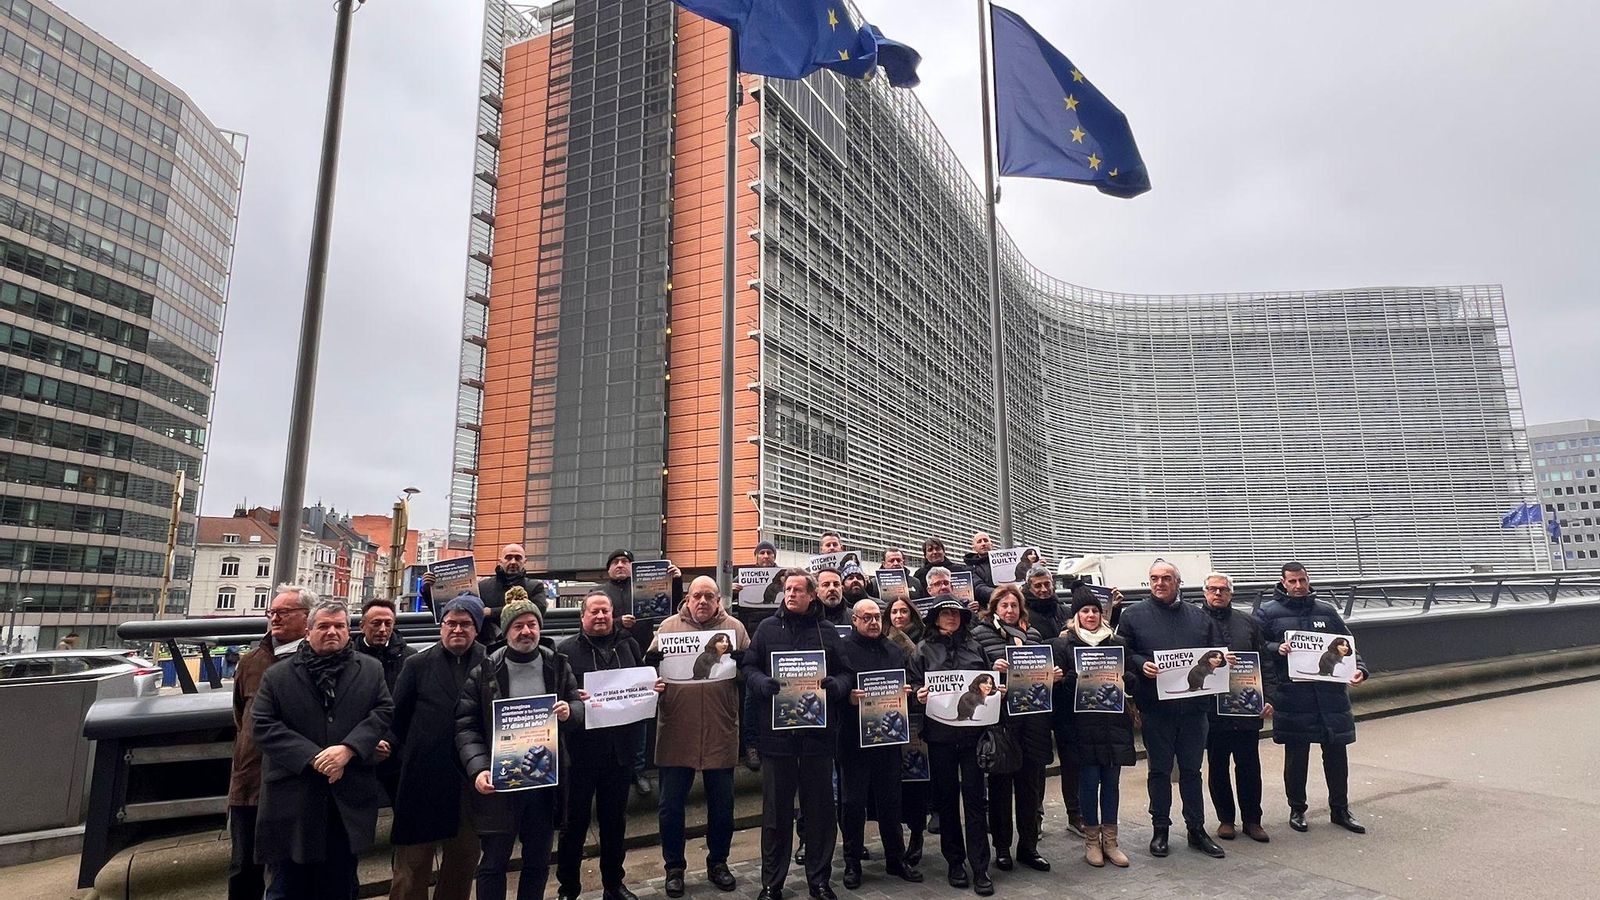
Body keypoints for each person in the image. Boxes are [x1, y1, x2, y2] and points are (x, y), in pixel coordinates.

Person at [252, 599, 394, 899]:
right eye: (324, 626)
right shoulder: (278, 675)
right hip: (293, 800)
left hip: (346, 800)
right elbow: (263, 725)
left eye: (339, 626)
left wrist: (349, 749)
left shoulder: (370, 669)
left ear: (349, 630)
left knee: (340, 885)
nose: (332, 632)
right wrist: (314, 757)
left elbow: (382, 710)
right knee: (286, 886)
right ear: (308, 631)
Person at [455, 596, 582, 900]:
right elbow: (465, 724)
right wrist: (479, 767)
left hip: (544, 784)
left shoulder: (557, 664)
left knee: (538, 861)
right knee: (493, 863)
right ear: (506, 631)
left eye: (532, 624)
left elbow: (577, 704)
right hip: (501, 784)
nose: (526, 631)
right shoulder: (486, 670)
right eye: (518, 626)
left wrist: (571, 712)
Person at [741, 569, 848, 900]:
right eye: (787, 589)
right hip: (778, 739)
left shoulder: (827, 631)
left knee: (819, 813)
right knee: (775, 815)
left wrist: (836, 686)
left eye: (798, 590)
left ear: (811, 595)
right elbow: (748, 666)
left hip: (818, 737)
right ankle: (772, 883)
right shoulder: (767, 628)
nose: (791, 594)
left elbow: (846, 673)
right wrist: (761, 684)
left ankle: (819, 879)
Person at [1115, 559, 1227, 859]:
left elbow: (1216, 653)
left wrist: (1228, 663)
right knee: (1159, 771)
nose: (1159, 583)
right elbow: (1122, 653)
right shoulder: (1133, 615)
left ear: (1178, 582)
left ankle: (1196, 829)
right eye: (1154, 578)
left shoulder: (1199, 617)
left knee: (1192, 771)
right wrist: (1141, 664)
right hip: (1156, 707)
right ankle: (1160, 829)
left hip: (1194, 708)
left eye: (1166, 578)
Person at [648, 576, 749, 897]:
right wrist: (653, 680)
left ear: (719, 600)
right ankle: (674, 868)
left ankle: (718, 862)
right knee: (670, 806)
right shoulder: (667, 628)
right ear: (687, 599)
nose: (702, 601)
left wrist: (742, 665)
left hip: (720, 728)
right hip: (677, 728)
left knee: (723, 805)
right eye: (696, 596)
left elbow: (750, 670)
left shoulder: (735, 629)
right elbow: (647, 671)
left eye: (709, 596)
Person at [555, 592, 658, 900]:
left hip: (620, 752)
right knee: (573, 825)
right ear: (582, 617)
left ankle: (613, 885)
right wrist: (575, 701)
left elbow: (639, 684)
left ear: (613, 614)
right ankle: (568, 888)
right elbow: (558, 698)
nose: (600, 617)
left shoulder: (628, 645)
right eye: (594, 612)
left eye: (605, 611)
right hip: (580, 752)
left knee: (615, 824)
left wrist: (653, 689)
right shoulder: (565, 652)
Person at [1258, 562, 1369, 835]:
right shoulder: (1267, 614)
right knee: (1296, 756)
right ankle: (1297, 809)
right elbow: (1256, 647)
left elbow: (1349, 645)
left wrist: (1361, 669)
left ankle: (1340, 809)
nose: (1298, 586)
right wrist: (1276, 647)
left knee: (1336, 755)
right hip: (1292, 696)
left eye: (1302, 581)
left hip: (1330, 696)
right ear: (1283, 583)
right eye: (1292, 581)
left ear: (1308, 581)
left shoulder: (1326, 611)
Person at [390, 595, 488, 900]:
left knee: (463, 860)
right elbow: (397, 719)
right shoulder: (417, 664)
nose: (457, 629)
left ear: (477, 628)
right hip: (423, 777)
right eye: (451, 623)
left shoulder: (491, 662)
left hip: (470, 779)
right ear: (441, 625)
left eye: (465, 624)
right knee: (412, 864)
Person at [227, 585, 312, 900]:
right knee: (243, 863)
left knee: (287, 866)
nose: (275, 617)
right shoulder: (251, 662)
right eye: (272, 612)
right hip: (250, 779)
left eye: (284, 612)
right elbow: (241, 716)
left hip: (293, 780)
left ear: (306, 619)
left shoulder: (315, 659)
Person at [837, 599, 923, 888]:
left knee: (891, 801)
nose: (874, 622)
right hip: (853, 740)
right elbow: (833, 689)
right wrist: (847, 697)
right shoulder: (842, 650)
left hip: (888, 739)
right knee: (853, 803)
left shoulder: (894, 650)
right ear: (855, 620)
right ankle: (852, 863)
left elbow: (906, 685)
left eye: (877, 617)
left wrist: (907, 692)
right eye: (867, 618)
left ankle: (895, 858)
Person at [970, 584, 1056, 872]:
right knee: (1000, 788)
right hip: (1001, 723)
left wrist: (1051, 674)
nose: (1009, 610)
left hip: (1032, 721)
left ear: (1021, 609)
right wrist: (993, 672)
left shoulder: (1033, 635)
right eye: (1003, 606)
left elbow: (1042, 676)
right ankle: (1003, 847)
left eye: (1014, 606)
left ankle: (1029, 847)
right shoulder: (980, 635)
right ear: (994, 608)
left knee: (1030, 789)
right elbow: (972, 676)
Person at [916, 596, 996, 896]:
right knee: (946, 802)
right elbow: (911, 688)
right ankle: (955, 862)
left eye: (956, 613)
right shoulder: (923, 651)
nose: (951, 617)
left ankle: (980, 866)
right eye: (945, 613)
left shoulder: (976, 648)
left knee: (976, 802)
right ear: (935, 617)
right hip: (940, 738)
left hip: (973, 736)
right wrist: (918, 696)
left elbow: (988, 684)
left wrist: (995, 689)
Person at [1050, 586, 1134, 868]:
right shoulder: (1063, 646)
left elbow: (1130, 677)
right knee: (1088, 783)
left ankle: (1110, 841)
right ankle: (1091, 840)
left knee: (1111, 783)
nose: (1090, 615)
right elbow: (1058, 691)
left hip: (1113, 724)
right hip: (1081, 726)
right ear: (1075, 616)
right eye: (1084, 611)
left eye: (1095, 610)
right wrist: (1070, 678)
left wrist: (1125, 679)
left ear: (1102, 614)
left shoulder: (1117, 643)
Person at [597, 549, 680, 796]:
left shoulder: (647, 586)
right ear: (609, 569)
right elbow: (592, 620)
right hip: (610, 662)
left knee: (642, 717)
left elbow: (672, 608)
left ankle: (639, 770)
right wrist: (619, 622)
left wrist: (674, 582)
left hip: (642, 659)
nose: (621, 565)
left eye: (626, 562)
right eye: (616, 562)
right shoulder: (599, 593)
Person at [1200, 572, 1275, 843]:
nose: (1217, 594)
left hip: (1246, 709)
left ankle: (1253, 820)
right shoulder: (1195, 622)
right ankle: (1226, 819)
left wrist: (1270, 697)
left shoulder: (1249, 622)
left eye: (1223, 590)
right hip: (1212, 709)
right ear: (1205, 592)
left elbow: (1265, 662)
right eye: (1212, 589)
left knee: (1249, 766)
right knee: (1218, 766)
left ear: (1231, 594)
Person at [421, 544, 549, 646]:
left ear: (524, 561)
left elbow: (538, 610)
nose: (513, 561)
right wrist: (428, 590)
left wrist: (491, 612)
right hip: (486, 648)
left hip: (522, 645)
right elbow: (451, 610)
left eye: (518, 558)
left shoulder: (535, 586)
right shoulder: (482, 587)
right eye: (508, 557)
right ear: (500, 561)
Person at [352, 596, 414, 803]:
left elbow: (409, 707)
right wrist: (368, 740)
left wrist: (389, 740)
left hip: (397, 746)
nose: (382, 629)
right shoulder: (346, 658)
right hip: (357, 745)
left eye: (388, 623)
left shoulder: (410, 659)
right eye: (376, 623)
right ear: (362, 626)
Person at [884, 595, 929, 867]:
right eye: (894, 612)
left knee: (915, 781)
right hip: (889, 716)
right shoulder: (882, 641)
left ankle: (916, 835)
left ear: (912, 614)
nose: (899, 616)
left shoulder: (923, 643)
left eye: (904, 611)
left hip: (915, 719)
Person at [732, 540, 782, 772]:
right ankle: (751, 745)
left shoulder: (784, 578)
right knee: (751, 697)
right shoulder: (741, 580)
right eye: (761, 553)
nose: (765, 556)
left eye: (769, 553)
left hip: (778, 644)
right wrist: (732, 593)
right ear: (755, 557)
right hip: (751, 645)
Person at [962, 532, 997, 609]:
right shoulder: (970, 567)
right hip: (985, 608)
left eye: (985, 540)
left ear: (992, 545)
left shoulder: (1003, 562)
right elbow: (978, 587)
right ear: (974, 547)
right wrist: (1001, 594)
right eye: (979, 541)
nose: (983, 543)